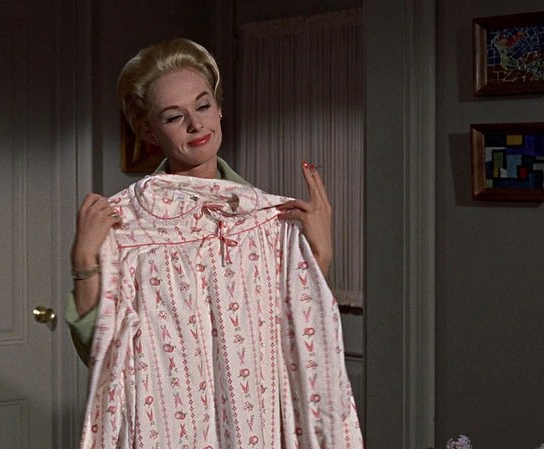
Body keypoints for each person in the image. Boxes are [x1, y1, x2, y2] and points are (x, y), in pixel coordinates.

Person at [67, 38, 362, 449]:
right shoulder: (127, 227)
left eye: (203, 106)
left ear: (219, 109)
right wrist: (84, 260)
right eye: (175, 116)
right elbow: (102, 354)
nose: (196, 125)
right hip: (169, 432)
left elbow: (298, 335)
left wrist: (320, 254)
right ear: (149, 131)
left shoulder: (267, 221)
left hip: (255, 425)